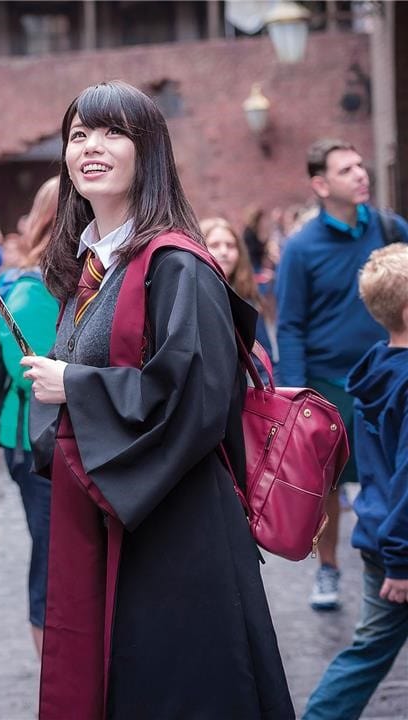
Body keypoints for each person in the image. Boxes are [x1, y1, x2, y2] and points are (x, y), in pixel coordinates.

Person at [22, 81, 293, 719]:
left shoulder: (177, 266)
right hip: (115, 515)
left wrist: (75, 385)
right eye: (79, 135)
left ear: (148, 151)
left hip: (178, 530)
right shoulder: (91, 270)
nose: (91, 147)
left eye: (112, 132)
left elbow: (196, 398)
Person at [276, 138, 408, 611]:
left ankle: (393, 561)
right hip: (329, 385)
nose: (360, 174)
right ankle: (328, 568)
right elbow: (290, 324)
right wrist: (295, 395)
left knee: (395, 474)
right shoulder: (301, 248)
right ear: (320, 185)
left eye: (360, 165)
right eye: (346, 169)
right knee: (326, 486)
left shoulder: (390, 228)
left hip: (390, 377)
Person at [302, 243, 408, 720]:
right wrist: (401, 562)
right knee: (367, 654)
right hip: (399, 549)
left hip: (379, 536)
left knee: (366, 651)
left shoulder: (375, 368)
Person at [0, 176, 60, 658]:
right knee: (51, 559)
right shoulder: (30, 291)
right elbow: (33, 378)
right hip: (36, 445)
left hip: (50, 440)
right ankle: (53, 675)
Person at [201, 216, 278, 367]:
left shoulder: (248, 296)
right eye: (215, 245)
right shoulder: (191, 297)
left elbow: (263, 358)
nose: (224, 252)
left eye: (230, 245)